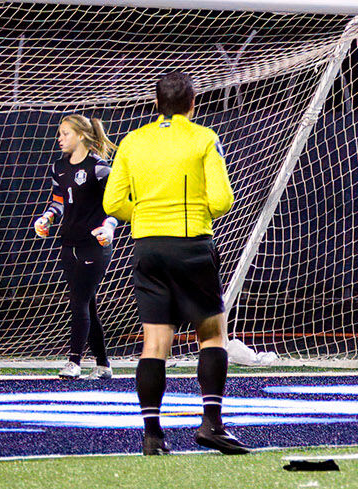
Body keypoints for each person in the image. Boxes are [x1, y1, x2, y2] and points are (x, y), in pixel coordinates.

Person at [104, 72, 247, 455]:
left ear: (156, 103)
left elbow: (113, 203)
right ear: (192, 103)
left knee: (154, 343)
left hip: (148, 247)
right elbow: (221, 201)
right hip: (191, 245)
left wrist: (147, 214)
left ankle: (153, 437)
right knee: (213, 335)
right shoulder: (203, 137)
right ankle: (211, 425)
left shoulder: (132, 141)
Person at [35, 114, 121, 380]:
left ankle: (74, 361)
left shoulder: (99, 168)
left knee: (79, 301)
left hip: (94, 245)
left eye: (65, 133)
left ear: (81, 135)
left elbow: (117, 206)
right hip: (68, 242)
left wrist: (109, 227)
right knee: (87, 303)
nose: (59, 139)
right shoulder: (59, 167)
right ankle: (104, 363)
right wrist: (46, 218)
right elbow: (59, 202)